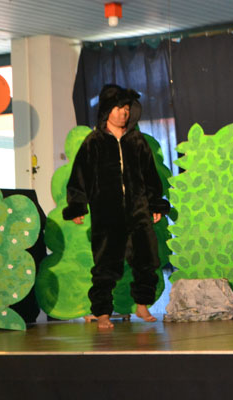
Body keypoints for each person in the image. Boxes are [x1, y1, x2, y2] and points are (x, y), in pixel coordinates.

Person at [62, 84, 170, 329]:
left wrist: (154, 204)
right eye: (118, 108)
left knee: (146, 259)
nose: (123, 113)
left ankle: (142, 304)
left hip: (138, 211)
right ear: (106, 110)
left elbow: (150, 175)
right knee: (106, 264)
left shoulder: (137, 141)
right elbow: (80, 176)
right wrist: (77, 206)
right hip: (107, 214)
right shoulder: (94, 142)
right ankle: (102, 313)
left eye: (127, 108)